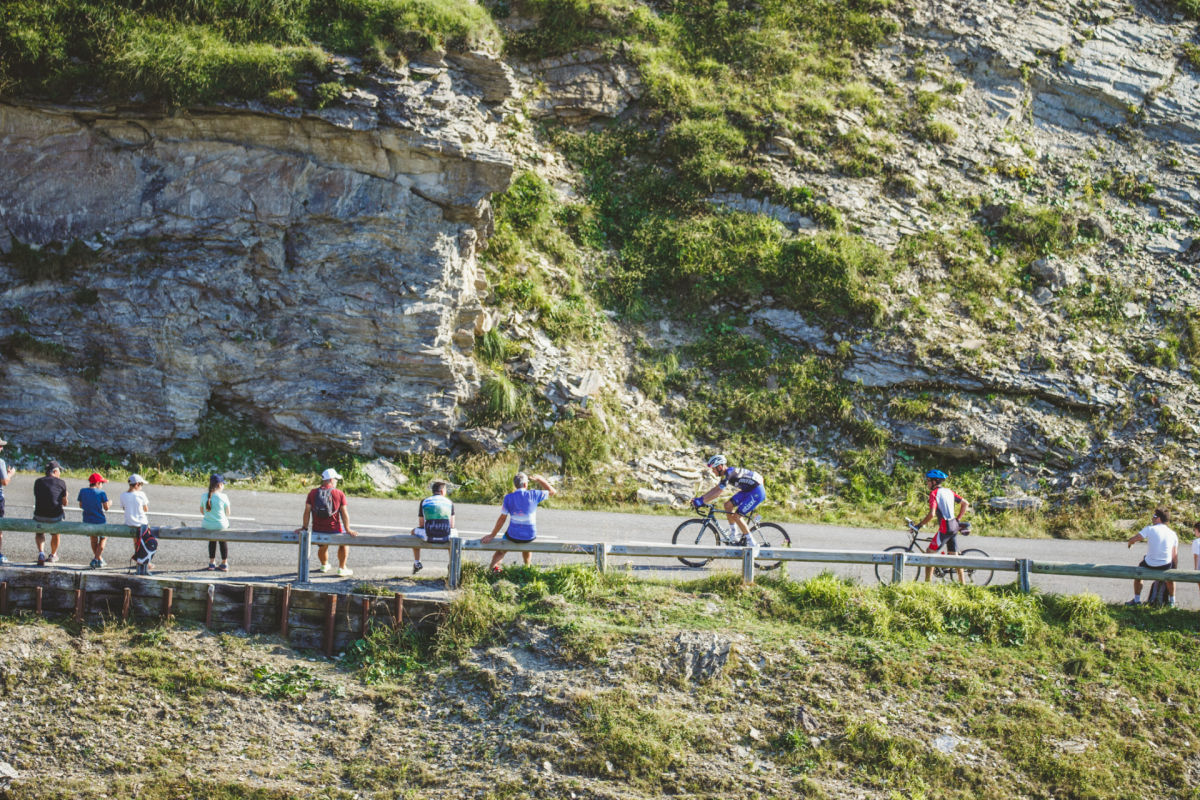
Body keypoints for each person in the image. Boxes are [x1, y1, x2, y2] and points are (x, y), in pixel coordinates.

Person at [481, 472, 556, 572]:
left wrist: (492, 535)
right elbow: (552, 491)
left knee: (500, 552)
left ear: (515, 485)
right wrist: (540, 480)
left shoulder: (508, 498)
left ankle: (493, 571)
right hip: (530, 536)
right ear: (525, 484)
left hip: (513, 535)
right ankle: (527, 568)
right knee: (527, 546)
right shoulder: (534, 494)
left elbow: (502, 519)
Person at [294, 468, 358, 577]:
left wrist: (304, 527)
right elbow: (344, 513)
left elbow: (307, 512)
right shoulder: (339, 493)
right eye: (336, 479)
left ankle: (324, 565)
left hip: (318, 529)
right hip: (334, 530)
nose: (337, 482)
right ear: (331, 480)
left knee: (323, 546)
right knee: (344, 543)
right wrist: (348, 529)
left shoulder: (313, 493)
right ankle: (342, 568)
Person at [692, 455, 766, 545]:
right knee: (728, 505)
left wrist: (702, 501)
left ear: (720, 467)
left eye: (713, 469)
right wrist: (701, 499)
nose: (712, 471)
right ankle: (734, 534)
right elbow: (716, 489)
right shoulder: (727, 474)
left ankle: (752, 543)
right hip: (748, 490)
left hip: (756, 492)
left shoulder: (729, 474)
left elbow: (718, 492)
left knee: (737, 516)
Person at [913, 469, 970, 584]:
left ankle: (927, 584)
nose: (927, 483)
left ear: (934, 481)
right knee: (954, 556)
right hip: (954, 525)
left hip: (945, 527)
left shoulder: (934, 494)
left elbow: (932, 514)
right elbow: (966, 503)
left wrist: (919, 525)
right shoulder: (949, 491)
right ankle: (963, 584)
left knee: (929, 553)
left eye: (928, 480)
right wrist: (958, 519)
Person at [1126, 507, 1179, 607]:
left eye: (1154, 516)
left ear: (1158, 518)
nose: (1152, 518)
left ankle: (1137, 600)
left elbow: (1136, 538)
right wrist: (1174, 569)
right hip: (1165, 565)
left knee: (1138, 575)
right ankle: (1172, 602)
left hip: (1150, 564)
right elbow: (1174, 556)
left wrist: (1130, 543)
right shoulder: (1173, 534)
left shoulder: (1150, 529)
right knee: (1171, 578)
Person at [411, 481, 454, 575]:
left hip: (429, 535)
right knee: (454, 535)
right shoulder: (449, 502)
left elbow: (421, 524)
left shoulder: (424, 501)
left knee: (413, 532)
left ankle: (417, 562)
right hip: (445, 536)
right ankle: (451, 562)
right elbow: (452, 525)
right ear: (442, 491)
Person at [32, 460, 68, 566]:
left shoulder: (38, 482)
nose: (60, 473)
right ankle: (53, 555)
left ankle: (41, 553)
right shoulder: (61, 483)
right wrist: (66, 495)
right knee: (56, 533)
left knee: (39, 533)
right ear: (55, 471)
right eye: (59, 471)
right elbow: (65, 503)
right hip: (54, 517)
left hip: (39, 515)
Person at [77, 472, 112, 568]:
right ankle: (96, 559)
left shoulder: (82, 491)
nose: (102, 485)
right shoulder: (101, 493)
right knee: (103, 538)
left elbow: (81, 505)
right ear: (97, 483)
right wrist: (110, 502)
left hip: (87, 519)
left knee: (93, 540)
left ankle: (99, 559)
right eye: (102, 483)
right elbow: (106, 508)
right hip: (99, 520)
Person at [201, 473, 231, 572]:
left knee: (212, 540)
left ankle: (212, 562)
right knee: (223, 540)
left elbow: (202, 511)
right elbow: (228, 513)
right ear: (220, 485)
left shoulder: (204, 496)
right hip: (221, 525)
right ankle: (224, 563)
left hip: (207, 525)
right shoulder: (224, 496)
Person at [121, 475, 151, 567]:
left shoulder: (123, 495)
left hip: (129, 523)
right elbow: (146, 509)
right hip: (142, 523)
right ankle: (145, 562)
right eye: (141, 485)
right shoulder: (141, 494)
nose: (142, 487)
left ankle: (139, 560)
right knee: (145, 542)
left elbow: (124, 508)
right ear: (137, 484)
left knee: (136, 542)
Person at [0, 437, 13, 565]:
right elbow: (4, 481)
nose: (2, 448)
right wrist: (10, 474)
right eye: (0, 446)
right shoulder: (1, 462)